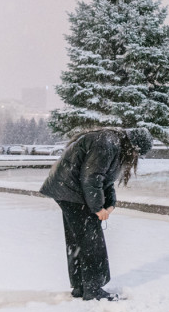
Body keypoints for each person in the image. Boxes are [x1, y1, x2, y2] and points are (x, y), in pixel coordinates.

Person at [40, 127, 153, 301]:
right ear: (133, 146)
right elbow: (91, 177)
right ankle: (92, 289)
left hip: (67, 191)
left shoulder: (113, 143)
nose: (135, 157)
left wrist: (110, 203)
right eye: (136, 153)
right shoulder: (106, 144)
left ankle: (81, 286)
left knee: (78, 240)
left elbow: (105, 179)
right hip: (71, 192)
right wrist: (98, 208)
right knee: (91, 241)